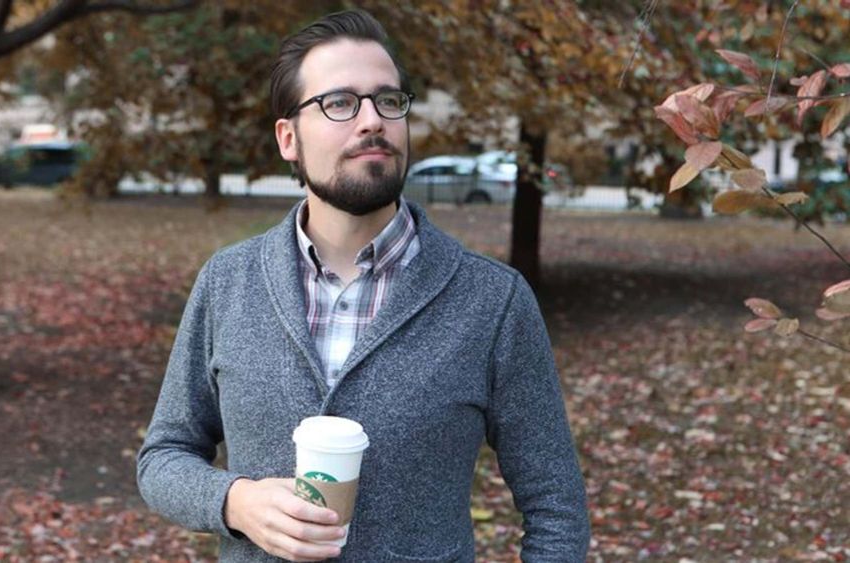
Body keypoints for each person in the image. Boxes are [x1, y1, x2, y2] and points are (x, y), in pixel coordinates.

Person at [137, 9, 589, 562]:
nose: (372, 120)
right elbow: (164, 456)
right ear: (288, 138)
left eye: (388, 100)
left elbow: (555, 506)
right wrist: (234, 501)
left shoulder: (492, 300)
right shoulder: (228, 283)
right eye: (340, 103)